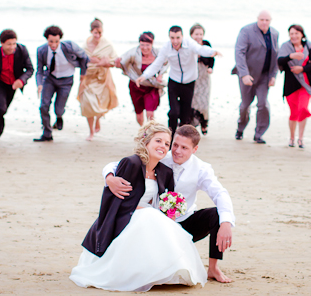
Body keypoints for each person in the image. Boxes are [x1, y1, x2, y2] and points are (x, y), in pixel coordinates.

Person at [70, 121, 207, 292]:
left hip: (148, 218)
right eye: (158, 141)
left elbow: (163, 203)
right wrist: (109, 178)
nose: (163, 146)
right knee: (150, 216)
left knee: (161, 221)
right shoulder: (132, 163)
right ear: (146, 141)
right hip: (123, 219)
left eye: (166, 143)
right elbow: (113, 203)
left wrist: (170, 210)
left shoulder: (165, 172)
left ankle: (165, 271)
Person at [103, 124, 235, 283]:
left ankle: (213, 268)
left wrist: (226, 222)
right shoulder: (161, 155)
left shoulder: (202, 169)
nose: (177, 151)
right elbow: (118, 164)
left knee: (216, 215)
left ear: (195, 149)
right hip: (154, 220)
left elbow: (220, 193)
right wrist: (109, 178)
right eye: (175, 145)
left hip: (184, 221)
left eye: (184, 148)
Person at [137, 26, 220, 137]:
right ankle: (170, 138)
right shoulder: (166, 47)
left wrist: (212, 52)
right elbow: (158, 63)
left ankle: (182, 139)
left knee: (185, 116)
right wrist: (144, 75)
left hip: (189, 82)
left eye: (177, 37)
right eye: (172, 38)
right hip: (174, 82)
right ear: (169, 37)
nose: (175, 41)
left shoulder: (189, 43)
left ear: (182, 36)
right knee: (174, 113)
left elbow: (200, 49)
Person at [34, 25, 88, 142]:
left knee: (59, 108)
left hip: (66, 80)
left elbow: (84, 57)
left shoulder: (69, 46)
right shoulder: (41, 50)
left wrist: (82, 74)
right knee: (44, 106)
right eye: (51, 41)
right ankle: (47, 133)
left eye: (56, 41)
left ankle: (59, 117)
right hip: (49, 79)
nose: (53, 45)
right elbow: (39, 70)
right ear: (46, 39)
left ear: (60, 39)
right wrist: (39, 84)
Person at [233, 10, 279, 144]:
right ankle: (240, 128)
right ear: (257, 19)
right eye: (262, 20)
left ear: (270, 21)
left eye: (267, 20)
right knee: (245, 105)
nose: (264, 22)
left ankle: (259, 133)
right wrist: (244, 74)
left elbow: (275, 56)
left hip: (265, 76)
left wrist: (273, 76)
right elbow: (239, 53)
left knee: (263, 104)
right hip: (248, 74)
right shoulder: (246, 31)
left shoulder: (274, 33)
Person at [0, 29, 34, 147]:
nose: (12, 47)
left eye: (14, 43)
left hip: (13, 85)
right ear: (2, 43)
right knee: (1, 108)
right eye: (9, 44)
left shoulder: (22, 50)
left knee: (2, 110)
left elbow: (30, 69)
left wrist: (21, 80)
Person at [277, 24, 311, 148]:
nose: (294, 36)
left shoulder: (308, 45)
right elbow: (279, 61)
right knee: (294, 113)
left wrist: (302, 68)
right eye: (291, 34)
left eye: (296, 33)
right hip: (291, 84)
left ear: (302, 34)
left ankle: (300, 138)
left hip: (305, 84)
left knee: (303, 109)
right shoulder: (286, 46)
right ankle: (291, 138)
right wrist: (291, 56)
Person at [78, 18, 119, 141]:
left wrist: (104, 62)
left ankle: (98, 119)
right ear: (91, 31)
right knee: (87, 104)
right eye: (95, 33)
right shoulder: (84, 46)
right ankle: (91, 131)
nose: (98, 35)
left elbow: (115, 61)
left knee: (102, 103)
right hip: (88, 77)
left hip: (102, 78)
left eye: (100, 33)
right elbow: (80, 61)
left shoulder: (107, 45)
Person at [115, 32, 167, 126]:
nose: (145, 48)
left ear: (152, 43)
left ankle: (151, 132)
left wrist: (160, 74)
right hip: (136, 86)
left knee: (150, 113)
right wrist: (118, 64)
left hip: (151, 86)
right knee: (139, 115)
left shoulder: (157, 53)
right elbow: (122, 63)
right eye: (142, 45)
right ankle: (143, 131)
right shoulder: (133, 53)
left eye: (148, 45)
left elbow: (166, 62)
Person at [189, 24, 214, 135]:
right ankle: (193, 123)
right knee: (193, 100)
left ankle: (204, 123)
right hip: (191, 75)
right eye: (196, 34)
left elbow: (211, 57)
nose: (198, 36)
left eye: (200, 34)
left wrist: (210, 67)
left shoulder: (206, 44)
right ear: (191, 35)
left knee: (204, 100)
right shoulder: (188, 45)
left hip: (203, 75)